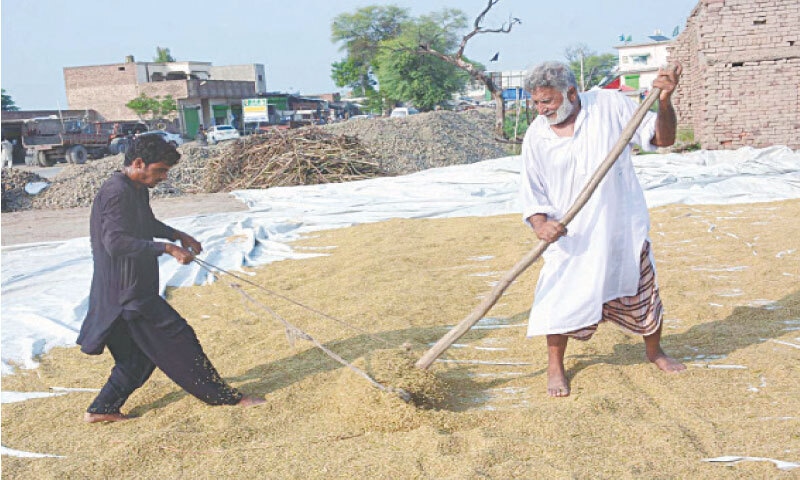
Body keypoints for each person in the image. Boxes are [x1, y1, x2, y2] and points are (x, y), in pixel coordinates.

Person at [519, 61, 686, 398]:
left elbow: (663, 138)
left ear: (571, 93)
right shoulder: (536, 134)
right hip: (571, 236)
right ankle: (555, 367)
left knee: (643, 289)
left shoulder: (609, 106)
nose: (542, 110)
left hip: (620, 226)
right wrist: (541, 224)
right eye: (536, 103)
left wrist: (664, 101)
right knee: (558, 299)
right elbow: (531, 190)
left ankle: (655, 352)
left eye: (548, 102)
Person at [77, 134, 264, 423]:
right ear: (139, 163)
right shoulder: (117, 192)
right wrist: (167, 248)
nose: (163, 177)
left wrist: (177, 234)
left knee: (138, 358)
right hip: (129, 294)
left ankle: (101, 410)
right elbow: (115, 243)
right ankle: (226, 398)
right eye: (160, 170)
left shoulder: (135, 188)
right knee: (180, 339)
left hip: (124, 291)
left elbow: (144, 223)